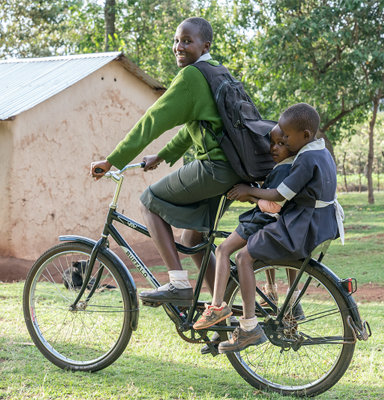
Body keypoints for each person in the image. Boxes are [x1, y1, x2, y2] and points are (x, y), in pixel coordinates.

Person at [90, 17, 242, 306]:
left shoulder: (191, 77)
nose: (178, 47)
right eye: (176, 40)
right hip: (233, 170)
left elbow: (152, 121)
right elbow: (196, 126)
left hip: (214, 168)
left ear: (205, 45)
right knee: (193, 239)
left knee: (149, 200)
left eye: (187, 41)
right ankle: (226, 308)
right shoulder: (218, 72)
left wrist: (113, 160)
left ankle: (177, 284)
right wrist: (162, 156)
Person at [196, 103, 344, 353]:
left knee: (243, 257)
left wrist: (248, 190)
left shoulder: (306, 159)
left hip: (302, 227)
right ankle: (285, 303)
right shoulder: (323, 152)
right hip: (322, 223)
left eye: (286, 137)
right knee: (250, 251)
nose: (282, 142)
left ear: (305, 136)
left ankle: (249, 326)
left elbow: (277, 194)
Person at [193, 122, 299, 331]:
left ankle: (217, 306)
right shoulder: (291, 166)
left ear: (292, 146)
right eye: (272, 144)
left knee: (222, 250)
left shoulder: (283, 168)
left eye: (281, 144)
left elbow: (272, 204)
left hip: (261, 220)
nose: (274, 149)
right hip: (273, 222)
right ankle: (285, 301)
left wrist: (249, 194)